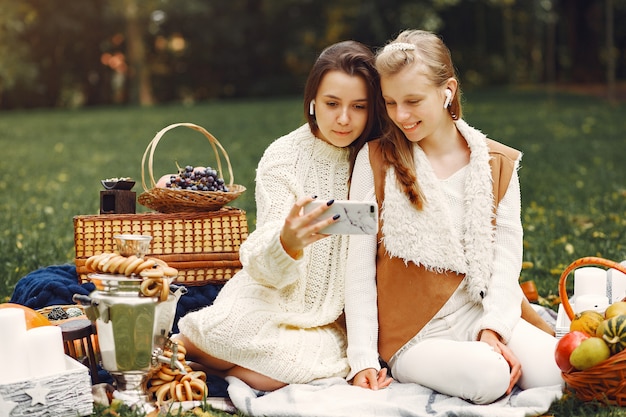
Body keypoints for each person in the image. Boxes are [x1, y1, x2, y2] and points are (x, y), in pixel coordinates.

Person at [344, 29, 562, 404]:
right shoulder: (372, 160)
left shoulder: (498, 163)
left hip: (478, 314)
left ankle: (487, 351)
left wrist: (493, 329)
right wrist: (362, 357)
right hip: (413, 334)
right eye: (391, 102)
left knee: (561, 372)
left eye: (413, 101)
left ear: (448, 90)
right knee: (490, 376)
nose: (401, 116)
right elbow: (357, 264)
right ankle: (475, 365)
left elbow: (505, 262)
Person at [176, 40, 388, 392]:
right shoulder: (284, 156)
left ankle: (205, 364)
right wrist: (287, 244)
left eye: (359, 106)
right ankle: (187, 353)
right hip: (268, 296)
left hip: (330, 318)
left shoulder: (377, 158)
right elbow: (260, 267)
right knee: (226, 330)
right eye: (331, 103)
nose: (344, 118)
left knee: (288, 371)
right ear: (312, 101)